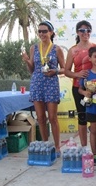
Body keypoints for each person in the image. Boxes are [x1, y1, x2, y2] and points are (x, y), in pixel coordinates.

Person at [65, 20, 96, 148]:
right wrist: (77, 75)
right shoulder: (73, 50)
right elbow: (66, 70)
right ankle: (85, 148)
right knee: (82, 118)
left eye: (88, 30)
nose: (85, 33)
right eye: (82, 30)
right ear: (77, 32)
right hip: (79, 88)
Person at [21, 21, 65, 157]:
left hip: (51, 83)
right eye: (39, 31)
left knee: (52, 117)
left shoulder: (57, 49)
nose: (42, 34)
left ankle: (57, 147)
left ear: (51, 32)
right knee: (40, 117)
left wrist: (55, 71)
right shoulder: (34, 48)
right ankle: (46, 144)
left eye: (44, 31)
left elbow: (64, 69)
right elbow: (32, 70)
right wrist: (27, 61)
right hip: (37, 83)